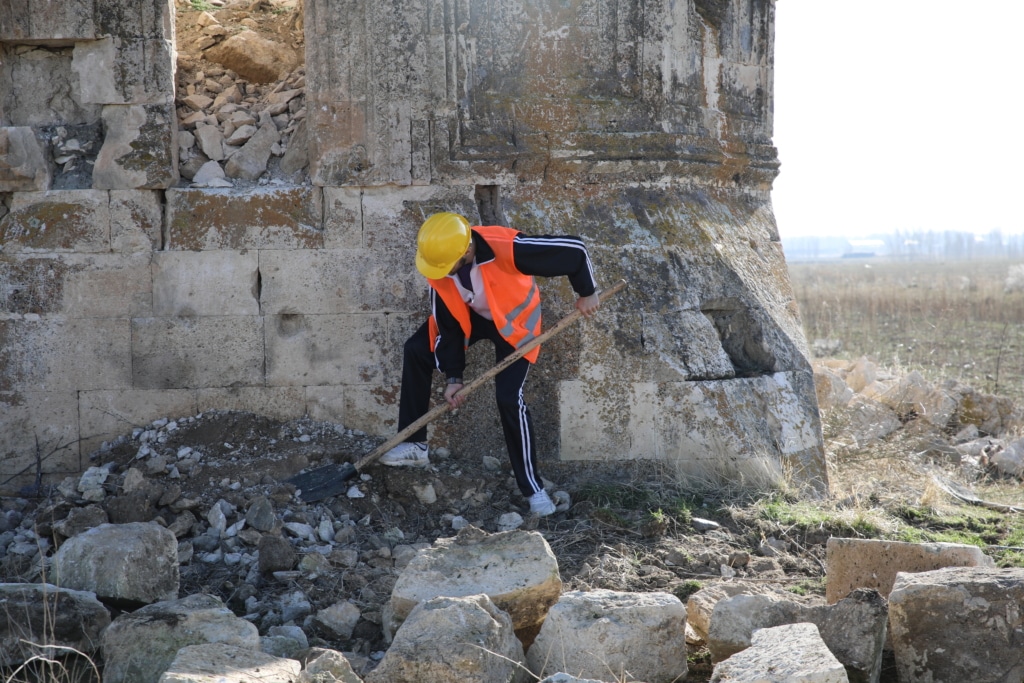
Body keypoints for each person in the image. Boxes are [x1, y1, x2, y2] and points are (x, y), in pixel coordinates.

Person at [379, 212, 600, 516]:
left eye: (447, 267)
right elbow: (448, 325)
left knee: (509, 398)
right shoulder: (439, 264)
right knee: (416, 349)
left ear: (467, 251)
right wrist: (453, 377)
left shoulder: (506, 247)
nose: (441, 273)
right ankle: (415, 445)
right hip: (470, 320)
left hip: (515, 325)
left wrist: (587, 292)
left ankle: (533, 489)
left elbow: (575, 250)